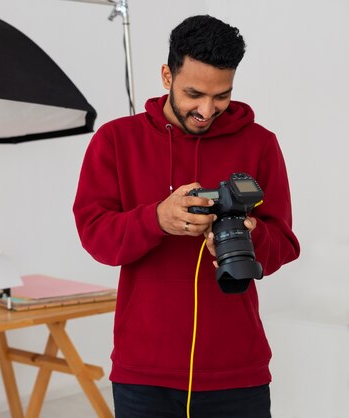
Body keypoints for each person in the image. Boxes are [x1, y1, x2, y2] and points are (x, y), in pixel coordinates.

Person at [73, 15, 300, 417]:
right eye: (194, 93)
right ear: (166, 75)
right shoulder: (115, 140)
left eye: (222, 96)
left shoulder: (260, 144)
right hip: (144, 372)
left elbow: (284, 243)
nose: (207, 109)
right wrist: (157, 219)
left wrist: (249, 233)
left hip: (237, 371)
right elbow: (96, 238)